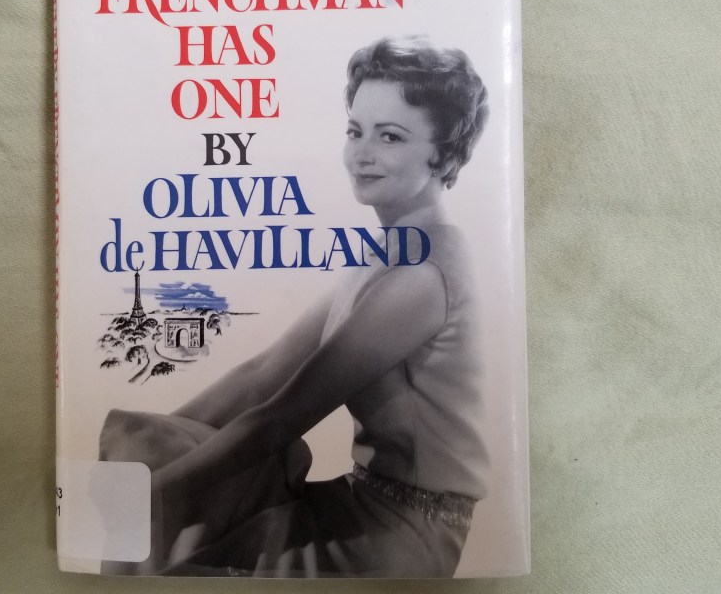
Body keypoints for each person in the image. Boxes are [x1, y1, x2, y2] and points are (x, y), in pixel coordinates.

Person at [99, 35, 490, 577]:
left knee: (167, 550)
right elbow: (262, 375)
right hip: (357, 501)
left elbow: (281, 417)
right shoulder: (385, 252)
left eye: (390, 136)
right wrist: (157, 445)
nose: (363, 153)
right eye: (355, 131)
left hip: (398, 538)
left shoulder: (419, 276)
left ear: (442, 153)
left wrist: (153, 497)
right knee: (145, 450)